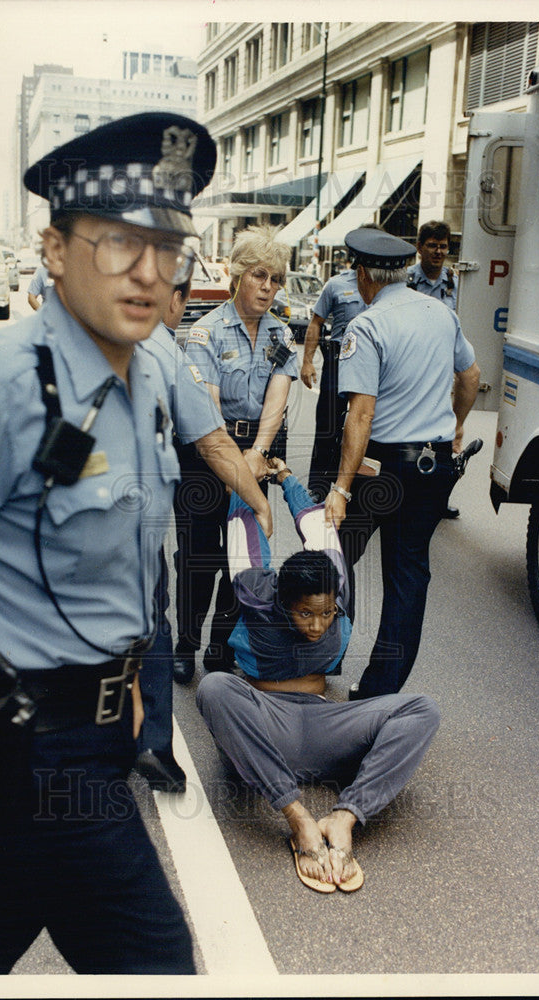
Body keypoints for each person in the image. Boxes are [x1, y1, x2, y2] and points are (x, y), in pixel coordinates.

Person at [0, 112, 219, 975]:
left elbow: (122, 564)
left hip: (94, 729)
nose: (149, 273)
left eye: (167, 247)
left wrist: (126, 679)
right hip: (25, 747)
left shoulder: (142, 376)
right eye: (118, 244)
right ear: (54, 251)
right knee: (158, 964)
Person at [196, 457, 440, 892]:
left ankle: (345, 818)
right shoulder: (256, 591)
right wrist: (247, 477)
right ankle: (300, 819)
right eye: (305, 613)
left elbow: (316, 524)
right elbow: (244, 525)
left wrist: (287, 478)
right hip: (264, 726)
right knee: (215, 688)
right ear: (282, 601)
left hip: (325, 723)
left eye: (327, 613)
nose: (318, 625)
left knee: (422, 710)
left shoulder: (335, 584)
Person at [325, 226, 480, 700]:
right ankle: (377, 693)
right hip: (433, 468)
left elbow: (361, 415)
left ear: (361, 275)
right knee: (408, 576)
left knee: (332, 552)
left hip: (383, 468)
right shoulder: (441, 312)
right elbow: (470, 375)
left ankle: (320, 649)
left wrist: (341, 489)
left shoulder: (367, 326)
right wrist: (455, 427)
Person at [136, 278, 271, 791]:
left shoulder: (44, 340)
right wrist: (258, 502)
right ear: (174, 298)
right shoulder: (168, 351)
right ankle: (150, 743)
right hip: (130, 526)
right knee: (150, 621)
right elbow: (213, 440)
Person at [174, 224, 297, 683]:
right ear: (239, 275)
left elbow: (277, 399)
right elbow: (205, 412)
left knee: (242, 556)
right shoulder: (206, 333)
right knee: (198, 556)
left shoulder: (281, 334)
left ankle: (220, 644)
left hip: (257, 454)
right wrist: (232, 462)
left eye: (276, 280)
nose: (268, 287)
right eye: (260, 276)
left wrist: (258, 454)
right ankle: (185, 642)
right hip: (204, 456)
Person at [406, 219, 461, 518]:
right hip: (410, 366)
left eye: (443, 246)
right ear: (419, 248)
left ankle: (437, 499)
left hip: (440, 369)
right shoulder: (406, 280)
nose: (438, 252)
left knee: (441, 434)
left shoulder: (453, 282)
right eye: (432, 246)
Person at [299, 261, 365, 500]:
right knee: (328, 421)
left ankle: (358, 484)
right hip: (338, 358)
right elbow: (316, 322)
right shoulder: (336, 285)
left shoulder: (385, 285)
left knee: (366, 422)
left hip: (371, 359)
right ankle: (318, 485)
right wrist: (307, 361)